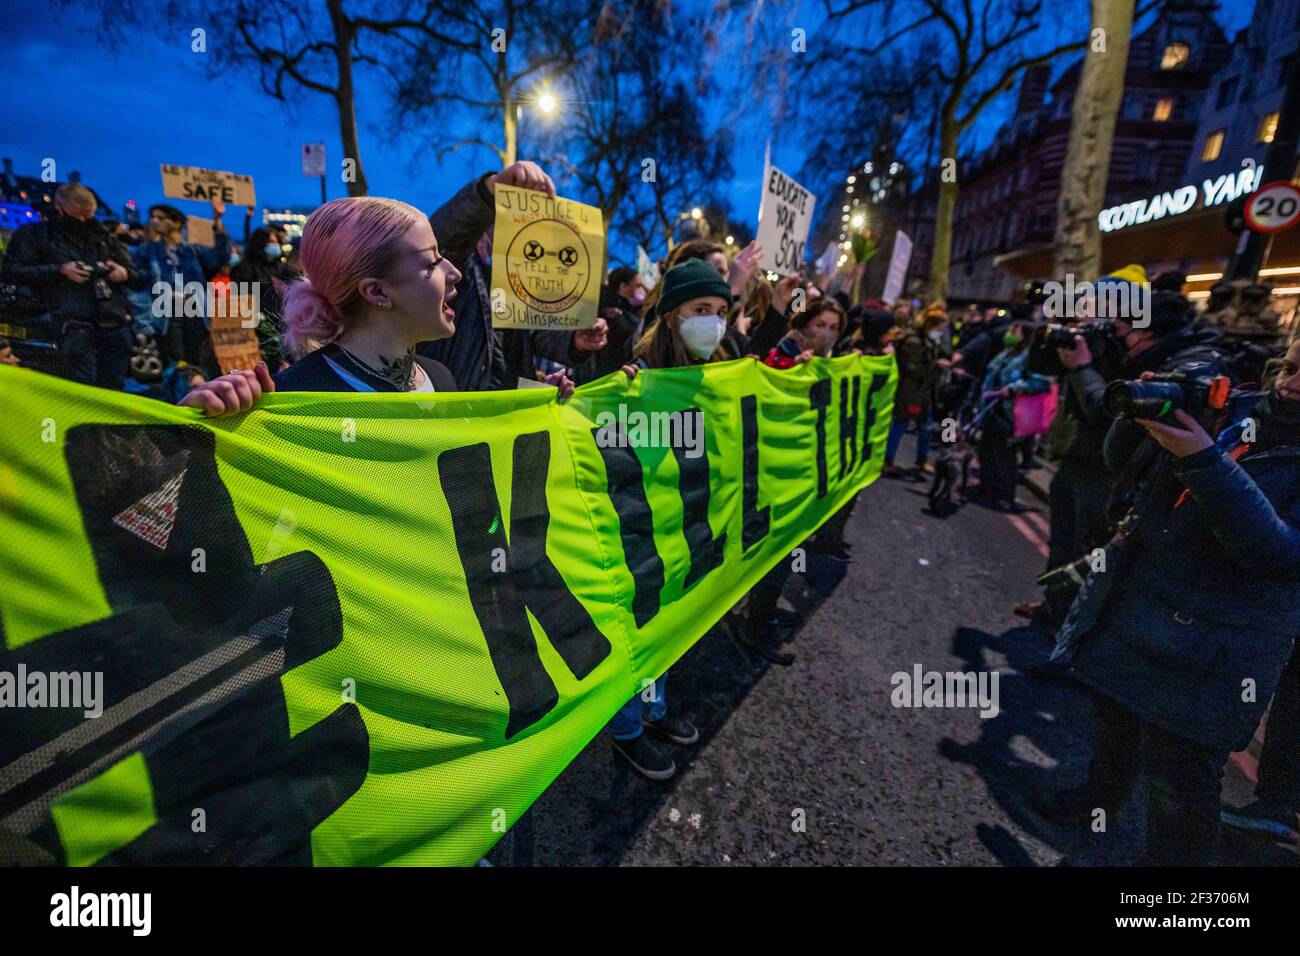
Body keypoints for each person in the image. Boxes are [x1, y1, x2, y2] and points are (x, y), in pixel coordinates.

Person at [1040, 336, 1300, 865]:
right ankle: (1100, 799)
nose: (1291, 385)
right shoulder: (1238, 407)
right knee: (1115, 716)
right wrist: (1142, 420)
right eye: (1292, 367)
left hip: (1224, 640)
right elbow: (1122, 464)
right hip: (1147, 599)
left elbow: (1277, 553)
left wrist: (1202, 457)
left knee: (1179, 781)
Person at [605, 258, 733, 779]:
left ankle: (654, 709)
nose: (714, 321)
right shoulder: (637, 370)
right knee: (639, 624)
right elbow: (612, 445)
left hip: (687, 519)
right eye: (702, 309)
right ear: (673, 313)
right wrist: (618, 397)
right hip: (640, 523)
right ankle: (626, 729)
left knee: (670, 619)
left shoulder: (722, 367)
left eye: (722, 311)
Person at [415, 162, 605, 391]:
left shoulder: (521, 277)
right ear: (490, 220)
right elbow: (444, 238)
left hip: (511, 407)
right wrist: (488, 191)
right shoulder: (454, 267)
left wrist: (575, 340)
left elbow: (538, 333)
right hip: (460, 406)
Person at [0, 182, 142, 389]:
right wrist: (60, 270)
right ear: (59, 208)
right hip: (67, 327)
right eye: (77, 215)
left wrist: (124, 273)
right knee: (80, 391)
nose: (83, 221)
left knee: (113, 391)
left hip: (112, 326)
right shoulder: (35, 235)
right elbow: (12, 271)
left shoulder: (104, 238)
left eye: (88, 215)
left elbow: (138, 277)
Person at [131, 199, 231, 374]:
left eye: (161, 218)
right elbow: (140, 288)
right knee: (175, 359)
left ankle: (195, 395)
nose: (155, 221)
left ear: (176, 222)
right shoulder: (145, 252)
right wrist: (143, 321)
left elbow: (217, 258)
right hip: (167, 312)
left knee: (196, 357)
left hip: (194, 309)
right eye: (152, 217)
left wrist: (217, 220)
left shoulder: (191, 250)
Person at [971, 320, 1051, 512]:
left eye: (1014, 331)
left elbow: (1042, 383)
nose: (1009, 334)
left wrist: (1014, 388)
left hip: (1011, 413)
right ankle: (987, 488)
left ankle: (1003, 495)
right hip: (992, 409)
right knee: (987, 450)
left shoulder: (1032, 357)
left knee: (1004, 455)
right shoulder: (1006, 353)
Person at [883, 303, 949, 478]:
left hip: (923, 392)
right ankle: (887, 460)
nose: (941, 333)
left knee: (925, 426)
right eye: (940, 328)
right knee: (901, 424)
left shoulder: (929, 341)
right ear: (930, 325)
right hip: (911, 392)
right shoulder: (913, 342)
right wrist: (936, 366)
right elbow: (912, 369)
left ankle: (921, 459)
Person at [231, 226, 300, 370]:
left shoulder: (282, 267)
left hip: (283, 323)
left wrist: (287, 290)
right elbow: (242, 296)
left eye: (275, 241)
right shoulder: (245, 268)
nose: (274, 245)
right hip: (259, 327)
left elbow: (297, 284)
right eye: (270, 242)